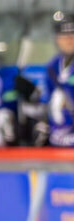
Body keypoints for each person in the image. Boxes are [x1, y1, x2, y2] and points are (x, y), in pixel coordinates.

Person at [45, 11, 74, 148]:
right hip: (60, 139)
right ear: (56, 38)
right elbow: (50, 101)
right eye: (63, 35)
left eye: (72, 33)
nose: (69, 39)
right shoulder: (53, 66)